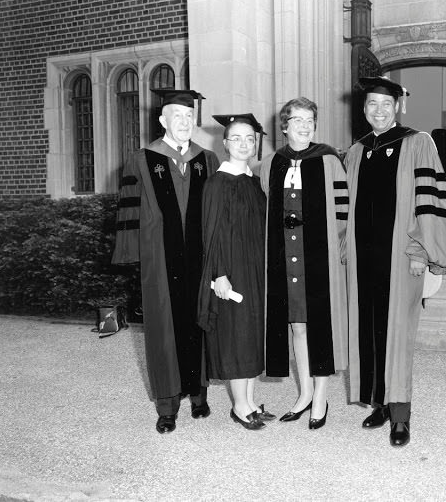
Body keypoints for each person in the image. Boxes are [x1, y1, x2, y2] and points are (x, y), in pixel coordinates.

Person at [343, 76, 446, 447]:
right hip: (363, 258)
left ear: (398, 107)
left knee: (399, 333)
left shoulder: (418, 143)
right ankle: (379, 403)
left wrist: (422, 250)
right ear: (364, 109)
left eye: (385, 104)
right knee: (370, 328)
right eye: (372, 104)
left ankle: (401, 414)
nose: (378, 110)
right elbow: (346, 211)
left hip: (402, 256)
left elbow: (430, 200)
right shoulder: (356, 151)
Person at [112, 90, 219, 434]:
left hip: (200, 260)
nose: (184, 122)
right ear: (163, 121)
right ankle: (167, 406)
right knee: (163, 331)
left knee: (200, 322)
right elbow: (129, 211)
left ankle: (200, 396)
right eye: (177, 116)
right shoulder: (142, 160)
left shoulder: (208, 159)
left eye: (189, 117)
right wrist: (134, 255)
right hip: (161, 261)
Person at [260, 97, 348, 430]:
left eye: (310, 119)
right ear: (284, 125)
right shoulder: (271, 163)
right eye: (297, 119)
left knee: (319, 325)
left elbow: (342, 211)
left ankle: (321, 397)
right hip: (286, 255)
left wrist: (338, 249)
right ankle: (305, 392)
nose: (305, 125)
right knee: (297, 325)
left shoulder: (328, 160)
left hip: (319, 255)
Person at [197, 113, 272, 430]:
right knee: (237, 336)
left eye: (250, 138)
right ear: (224, 143)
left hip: (255, 270)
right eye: (237, 138)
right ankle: (240, 406)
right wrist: (219, 274)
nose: (244, 144)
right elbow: (211, 234)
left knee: (252, 334)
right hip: (232, 271)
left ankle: (251, 402)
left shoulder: (254, 184)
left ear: (256, 144)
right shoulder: (217, 183)